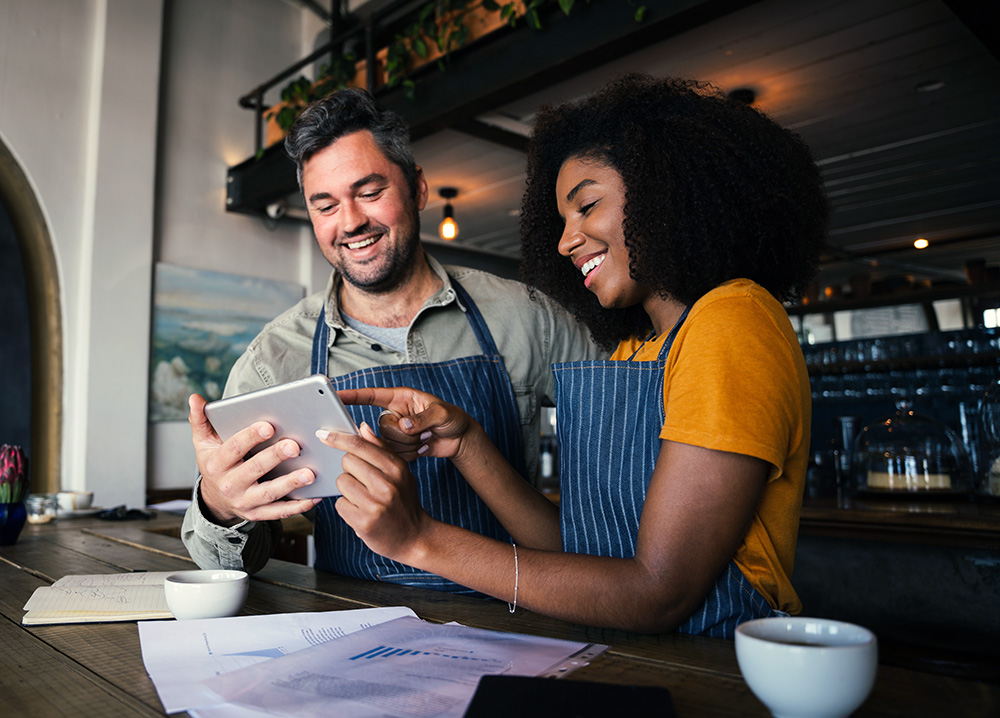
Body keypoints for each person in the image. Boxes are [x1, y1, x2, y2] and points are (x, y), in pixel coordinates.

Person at [316, 74, 829, 637]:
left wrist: (419, 540)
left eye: (586, 206)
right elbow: (580, 555)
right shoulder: (640, 351)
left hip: (716, 665)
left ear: (666, 191)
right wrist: (466, 443)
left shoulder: (733, 321)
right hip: (629, 659)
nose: (565, 241)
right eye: (562, 220)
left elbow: (657, 591)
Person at [181, 88, 601, 592]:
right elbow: (234, 566)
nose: (351, 221)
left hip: (526, 617)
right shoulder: (275, 359)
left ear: (418, 189)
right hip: (350, 627)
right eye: (325, 204)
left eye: (370, 191)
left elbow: (627, 458)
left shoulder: (528, 316)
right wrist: (220, 505)